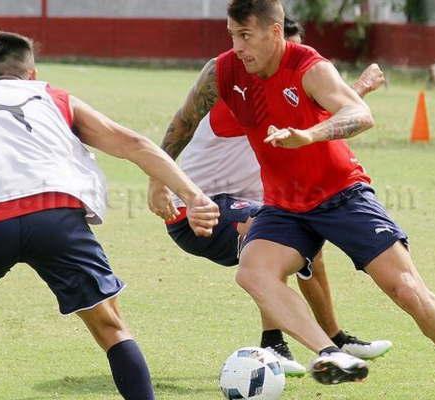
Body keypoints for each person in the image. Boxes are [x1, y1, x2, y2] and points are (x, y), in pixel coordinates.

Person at [150, 0, 435, 396]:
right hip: (283, 206)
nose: (237, 46)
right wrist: (158, 177)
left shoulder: (309, 67)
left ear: (274, 32)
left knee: (407, 290)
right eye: (232, 35)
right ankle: (330, 351)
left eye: (246, 35)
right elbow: (183, 121)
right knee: (253, 273)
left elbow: (359, 113)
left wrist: (310, 135)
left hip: (342, 195)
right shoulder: (222, 71)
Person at [0, 30, 219, 400]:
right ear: (32, 74)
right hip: (55, 216)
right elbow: (134, 144)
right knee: (109, 324)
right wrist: (194, 195)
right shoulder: (54, 97)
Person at [148, 17, 390, 377]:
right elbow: (299, 120)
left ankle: (334, 339)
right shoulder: (242, 95)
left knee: (303, 239)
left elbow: (309, 120)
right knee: (271, 229)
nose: (290, 63)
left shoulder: (284, 85)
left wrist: (356, 93)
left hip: (238, 203)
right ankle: (275, 343)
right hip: (197, 211)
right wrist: (359, 90)